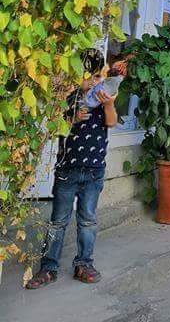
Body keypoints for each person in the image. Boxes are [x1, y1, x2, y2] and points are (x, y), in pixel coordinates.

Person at [26, 51, 118, 288]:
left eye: (98, 76)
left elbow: (111, 122)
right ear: (76, 76)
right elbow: (56, 126)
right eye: (88, 76)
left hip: (93, 171)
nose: (93, 82)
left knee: (87, 220)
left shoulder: (104, 99)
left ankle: (83, 264)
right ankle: (48, 267)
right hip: (67, 171)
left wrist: (109, 104)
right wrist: (73, 119)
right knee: (58, 221)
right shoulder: (69, 98)